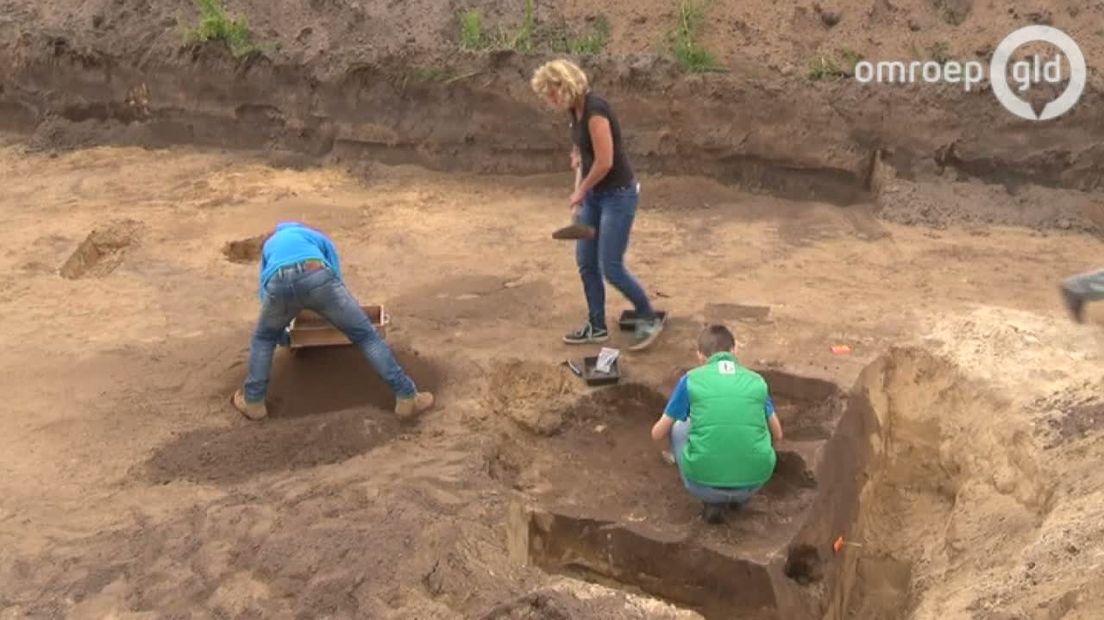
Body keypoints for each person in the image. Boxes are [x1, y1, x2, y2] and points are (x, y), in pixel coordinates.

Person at [231, 222, 434, 422]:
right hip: (317, 275)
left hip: (278, 281)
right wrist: (335, 309)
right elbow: (335, 273)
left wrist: (284, 337)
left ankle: (255, 403)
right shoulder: (315, 237)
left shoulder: (271, 244)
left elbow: (264, 290)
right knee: (365, 335)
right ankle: (406, 396)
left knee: (264, 339)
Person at [530, 59, 664, 351]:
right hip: (595, 197)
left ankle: (648, 316)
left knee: (611, 267)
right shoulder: (575, 111)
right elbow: (583, 143)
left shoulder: (595, 111)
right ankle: (596, 326)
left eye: (551, 93)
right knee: (585, 262)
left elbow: (605, 162)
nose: (549, 100)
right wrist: (577, 153)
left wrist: (581, 191)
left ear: (564, 86)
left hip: (617, 195)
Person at [650, 324, 783, 524]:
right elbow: (778, 434)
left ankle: (711, 501)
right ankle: (741, 496)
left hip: (702, 485)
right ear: (735, 349)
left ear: (700, 356)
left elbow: (657, 434)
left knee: (679, 427)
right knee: (758, 422)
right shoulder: (757, 381)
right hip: (754, 482)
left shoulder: (691, 379)